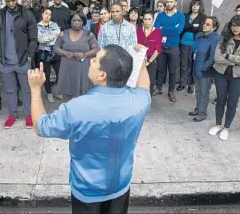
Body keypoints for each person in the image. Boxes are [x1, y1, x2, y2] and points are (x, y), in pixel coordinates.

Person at [27, 44, 151, 214]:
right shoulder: (140, 101)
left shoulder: (77, 109)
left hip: (87, 192)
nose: (91, 61)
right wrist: (142, 62)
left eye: (95, 60)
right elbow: (144, 86)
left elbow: (40, 126)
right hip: (121, 186)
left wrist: (35, 89)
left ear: (102, 75)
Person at [0, 0, 38, 129]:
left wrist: (29, 56)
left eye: (13, 0)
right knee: (10, 90)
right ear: (3, 1)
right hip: (6, 62)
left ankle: (29, 115)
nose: (11, 3)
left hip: (23, 60)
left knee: (26, 90)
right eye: (8, 1)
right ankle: (13, 114)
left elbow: (33, 38)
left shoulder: (26, 14)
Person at [209, 15, 240, 141]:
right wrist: (237, 60)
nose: (235, 28)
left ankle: (226, 128)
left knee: (232, 102)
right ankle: (218, 124)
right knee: (220, 100)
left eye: (238, 26)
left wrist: (228, 56)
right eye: (233, 25)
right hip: (221, 74)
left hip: (239, 77)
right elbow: (217, 58)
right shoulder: (224, 38)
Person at [54, 13, 99, 99]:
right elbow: (56, 48)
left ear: (83, 22)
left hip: (83, 68)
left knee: (83, 96)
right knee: (68, 96)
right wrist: (65, 53)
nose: (77, 22)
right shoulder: (63, 34)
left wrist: (84, 55)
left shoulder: (89, 34)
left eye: (79, 20)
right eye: (74, 20)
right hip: (67, 68)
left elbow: (96, 49)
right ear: (70, 22)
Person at [152, 0, 185, 102]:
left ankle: (171, 91)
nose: (169, 3)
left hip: (173, 47)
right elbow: (156, 30)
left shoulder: (180, 16)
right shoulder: (161, 15)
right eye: (168, 1)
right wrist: (171, 29)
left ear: (175, 2)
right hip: (161, 46)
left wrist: (163, 29)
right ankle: (159, 88)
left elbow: (178, 31)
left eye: (171, 1)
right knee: (160, 69)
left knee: (172, 70)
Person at [189, 16, 219, 122]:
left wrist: (203, 68)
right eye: (204, 23)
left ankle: (202, 114)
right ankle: (197, 109)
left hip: (205, 71)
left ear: (214, 28)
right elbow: (194, 50)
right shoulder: (199, 35)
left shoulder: (215, 38)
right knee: (197, 91)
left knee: (204, 93)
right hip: (196, 66)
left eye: (208, 24)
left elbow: (213, 57)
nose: (204, 26)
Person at [177, 0, 207, 94]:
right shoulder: (185, 15)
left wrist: (189, 26)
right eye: (193, 4)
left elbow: (201, 29)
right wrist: (193, 26)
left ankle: (191, 85)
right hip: (183, 43)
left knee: (193, 65)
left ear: (200, 6)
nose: (195, 6)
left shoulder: (203, 17)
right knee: (184, 64)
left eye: (197, 5)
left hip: (195, 44)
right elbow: (182, 28)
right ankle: (182, 83)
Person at [37, 8, 61, 103]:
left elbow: (59, 36)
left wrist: (49, 38)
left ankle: (56, 90)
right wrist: (54, 35)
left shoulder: (54, 24)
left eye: (49, 14)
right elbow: (41, 40)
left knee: (60, 73)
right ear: (42, 14)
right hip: (44, 53)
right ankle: (49, 93)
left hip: (55, 52)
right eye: (46, 13)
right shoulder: (37, 26)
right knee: (46, 75)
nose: (48, 16)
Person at [136, 11, 163, 95]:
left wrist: (149, 62)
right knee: (138, 81)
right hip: (139, 59)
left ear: (153, 20)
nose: (147, 21)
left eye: (149, 19)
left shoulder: (158, 32)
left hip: (151, 60)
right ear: (143, 20)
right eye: (145, 19)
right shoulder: (138, 30)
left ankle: (148, 99)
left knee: (150, 82)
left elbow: (158, 49)